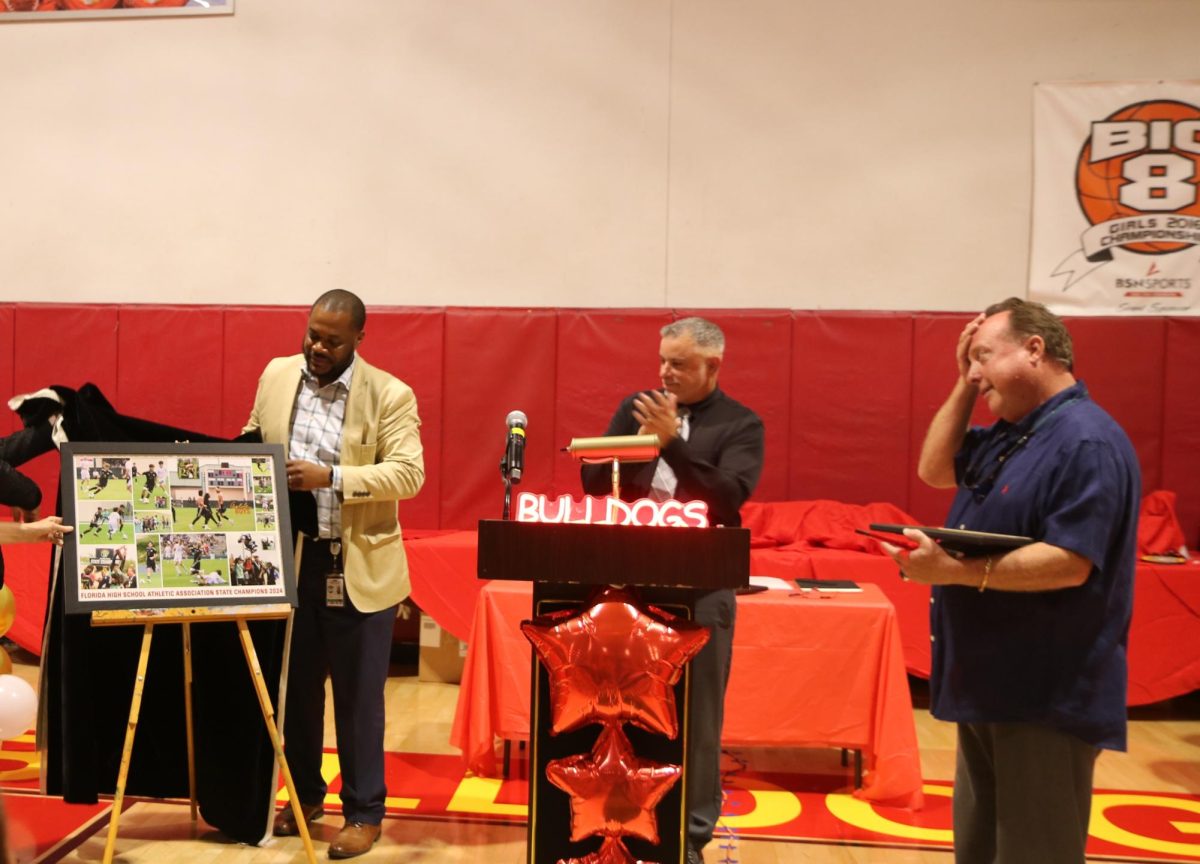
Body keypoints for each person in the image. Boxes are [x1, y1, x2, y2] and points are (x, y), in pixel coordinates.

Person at [881, 298, 1140, 864]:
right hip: (993, 685)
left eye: (983, 356)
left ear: (1034, 350)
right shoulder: (1015, 432)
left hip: (1044, 693)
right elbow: (934, 468)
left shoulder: (1084, 441)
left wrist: (952, 571)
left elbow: (1071, 561)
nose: (975, 372)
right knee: (981, 849)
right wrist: (964, 382)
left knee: (1033, 851)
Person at [242, 289, 425, 859]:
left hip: (358, 565)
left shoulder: (390, 394)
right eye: (312, 334)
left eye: (332, 340)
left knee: (357, 697)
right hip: (290, 559)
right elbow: (252, 434)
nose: (317, 347)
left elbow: (408, 474)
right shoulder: (276, 374)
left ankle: (364, 812)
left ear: (359, 340)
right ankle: (303, 796)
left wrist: (333, 477)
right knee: (293, 693)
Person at [580, 316, 764, 864]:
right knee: (622, 715)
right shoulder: (637, 407)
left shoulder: (740, 424)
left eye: (678, 363)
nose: (665, 371)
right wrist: (637, 447)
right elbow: (593, 485)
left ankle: (690, 839)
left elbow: (727, 498)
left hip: (702, 587)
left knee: (698, 724)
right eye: (662, 360)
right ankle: (622, 826)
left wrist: (671, 447)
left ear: (712, 366)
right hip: (629, 587)